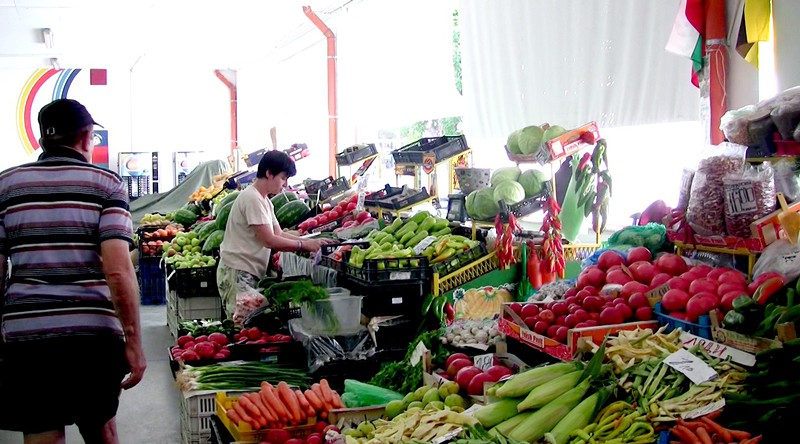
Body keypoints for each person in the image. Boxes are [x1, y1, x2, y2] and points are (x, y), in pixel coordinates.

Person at [0, 99, 146, 444]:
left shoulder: (6, 185)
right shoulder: (106, 184)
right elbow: (118, 271)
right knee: (101, 429)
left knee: (41, 431)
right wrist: (135, 344)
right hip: (91, 336)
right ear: (85, 137)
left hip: (27, 335)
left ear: (42, 140)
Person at [217, 151, 331, 321]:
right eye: (283, 178)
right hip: (238, 272)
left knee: (248, 325)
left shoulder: (264, 200)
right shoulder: (252, 198)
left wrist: (311, 241)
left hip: (246, 271)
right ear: (269, 173)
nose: (285, 184)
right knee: (242, 327)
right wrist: (304, 246)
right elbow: (268, 240)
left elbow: (279, 233)